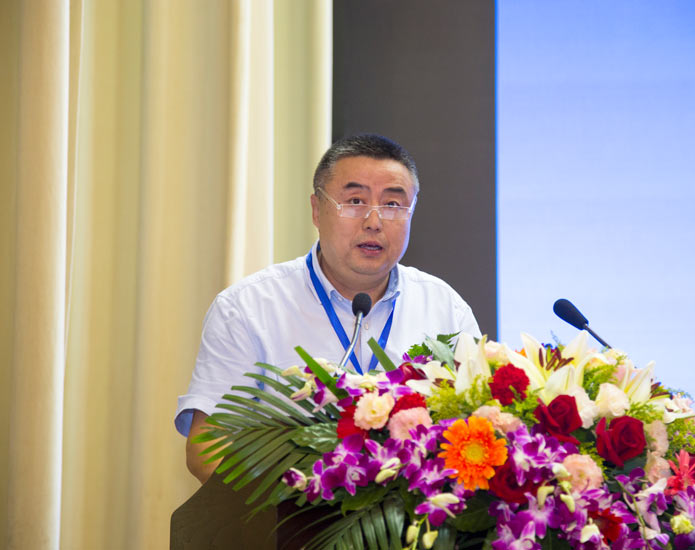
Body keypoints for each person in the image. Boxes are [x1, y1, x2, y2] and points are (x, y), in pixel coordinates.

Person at [176, 134, 481, 483]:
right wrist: (296, 504)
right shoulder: (247, 308)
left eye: (393, 204)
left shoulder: (445, 309)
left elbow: (479, 428)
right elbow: (208, 448)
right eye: (355, 201)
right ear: (317, 210)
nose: (374, 221)